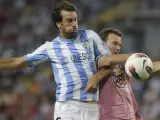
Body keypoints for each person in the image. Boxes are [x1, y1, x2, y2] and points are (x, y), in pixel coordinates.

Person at [0, 1, 132, 120]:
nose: (74, 24)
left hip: (92, 107)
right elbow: (18, 62)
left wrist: (97, 77)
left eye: (75, 20)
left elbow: (109, 62)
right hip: (67, 107)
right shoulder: (50, 48)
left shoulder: (90, 37)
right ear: (59, 23)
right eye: (69, 21)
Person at [85, 28, 160, 120]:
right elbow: (108, 60)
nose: (118, 48)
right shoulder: (93, 61)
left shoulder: (124, 63)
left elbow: (148, 67)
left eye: (120, 45)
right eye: (115, 43)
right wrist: (132, 56)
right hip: (108, 117)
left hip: (130, 116)